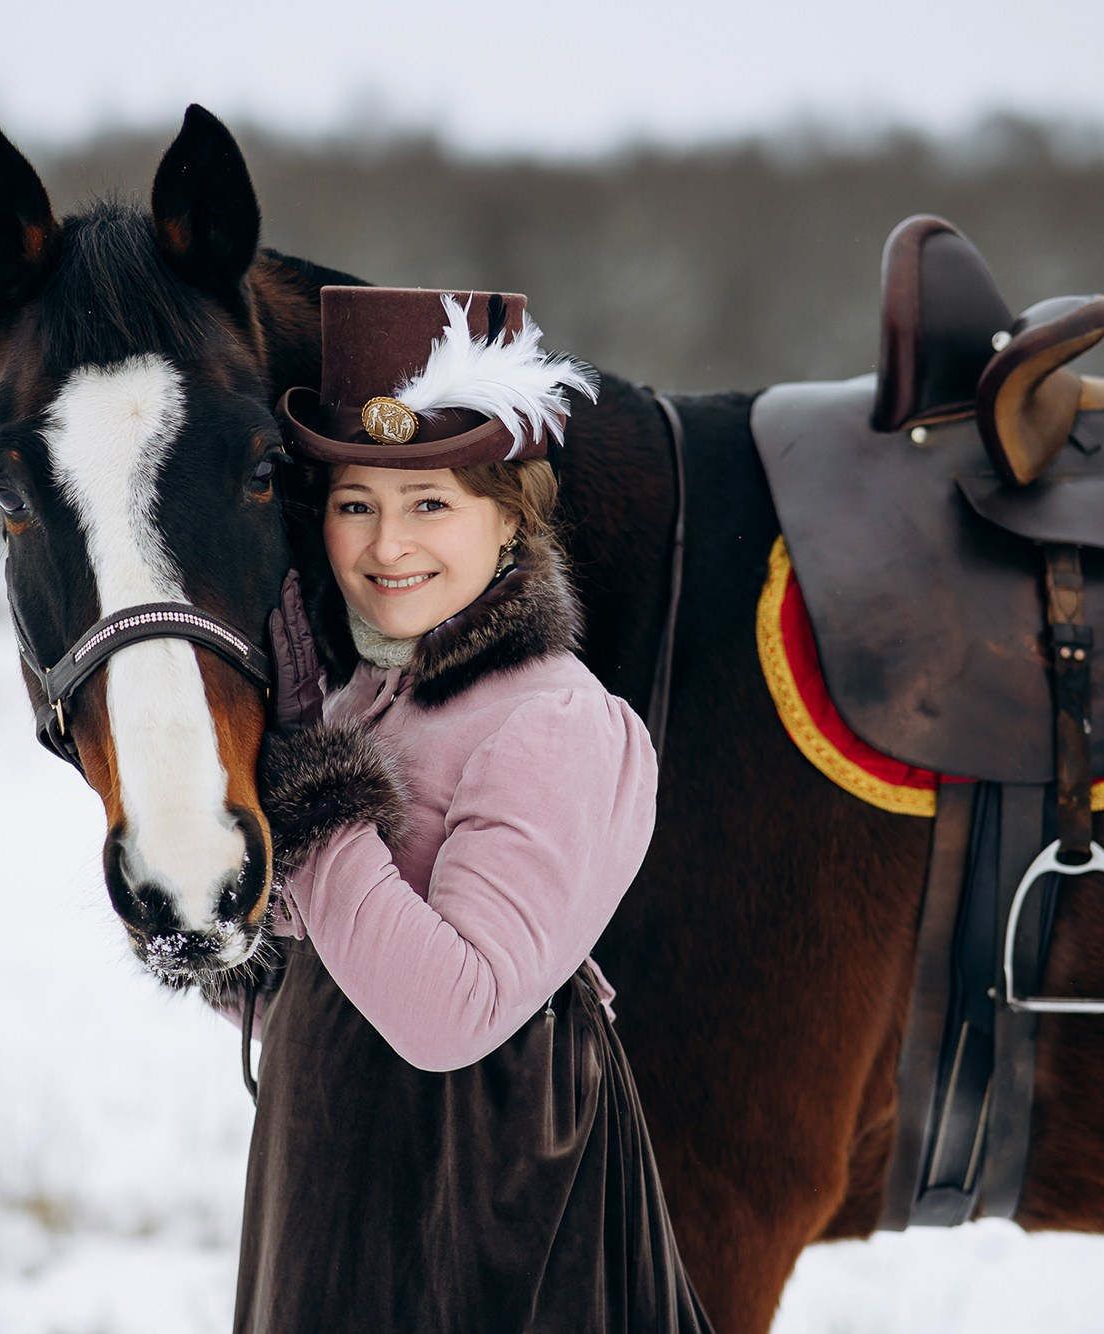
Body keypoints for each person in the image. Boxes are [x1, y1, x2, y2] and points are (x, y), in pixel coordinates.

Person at [231, 286, 712, 1333]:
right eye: (354, 500)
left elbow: (448, 1016)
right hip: (341, 1191)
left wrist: (311, 788)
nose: (384, 542)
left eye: (430, 503)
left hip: (482, 1231)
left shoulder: (553, 723)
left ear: (509, 519)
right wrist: (223, 935)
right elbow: (334, 992)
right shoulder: (364, 700)